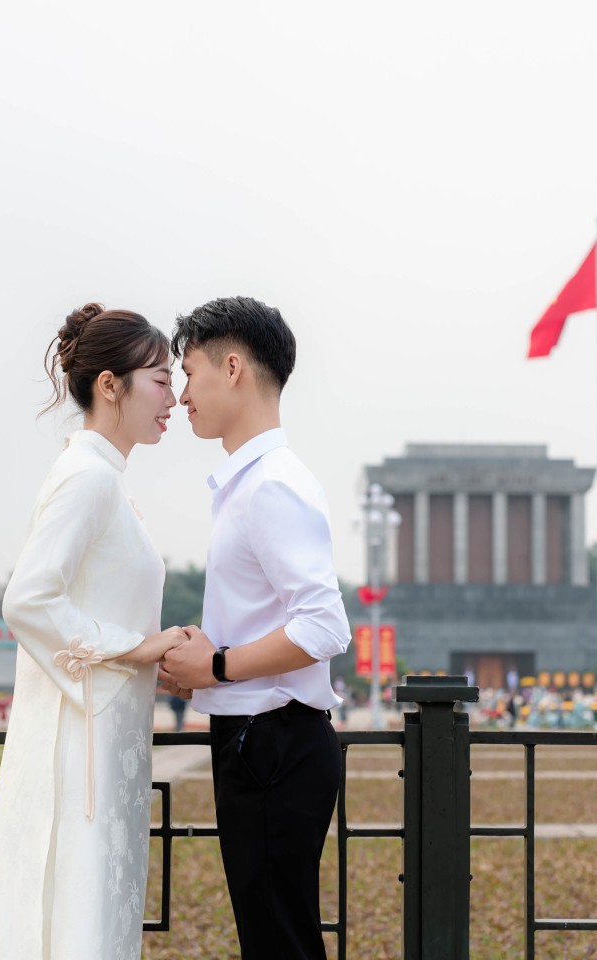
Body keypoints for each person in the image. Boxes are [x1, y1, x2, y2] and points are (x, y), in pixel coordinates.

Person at [0, 303, 186, 960]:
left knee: (94, 913)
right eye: (161, 380)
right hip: (80, 745)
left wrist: (147, 660)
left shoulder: (104, 479)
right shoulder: (89, 478)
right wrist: (136, 647)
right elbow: (28, 598)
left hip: (103, 734)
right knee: (80, 915)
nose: (173, 398)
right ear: (110, 385)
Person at [158, 297, 350, 960]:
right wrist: (203, 663)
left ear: (233, 368)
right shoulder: (254, 482)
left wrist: (215, 667)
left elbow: (324, 625)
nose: (183, 395)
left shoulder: (269, 485)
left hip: (271, 743)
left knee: (279, 944)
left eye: (190, 373)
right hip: (265, 740)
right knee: (276, 940)